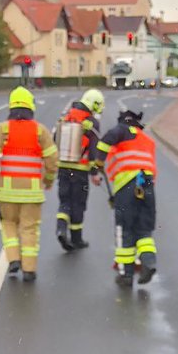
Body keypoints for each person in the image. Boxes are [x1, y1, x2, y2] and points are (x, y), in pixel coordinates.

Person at [0, 86, 58, 282]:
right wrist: (49, 180)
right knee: (29, 228)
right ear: (31, 107)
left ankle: (13, 259)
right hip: (32, 193)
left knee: (8, 225)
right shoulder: (40, 131)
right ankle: (29, 270)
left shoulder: (4, 129)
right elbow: (52, 160)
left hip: (6, 193)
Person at [94, 109, 158, 288]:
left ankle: (126, 274)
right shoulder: (147, 140)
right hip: (147, 184)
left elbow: (106, 139)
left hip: (127, 186)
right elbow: (154, 169)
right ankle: (148, 262)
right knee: (144, 230)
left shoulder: (122, 130)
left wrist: (98, 164)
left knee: (125, 229)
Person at [55, 88, 104, 251]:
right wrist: (94, 172)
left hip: (63, 167)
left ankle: (61, 229)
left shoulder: (66, 116)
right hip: (79, 170)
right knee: (78, 203)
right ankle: (76, 239)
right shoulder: (91, 122)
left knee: (65, 201)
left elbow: (56, 139)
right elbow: (93, 150)